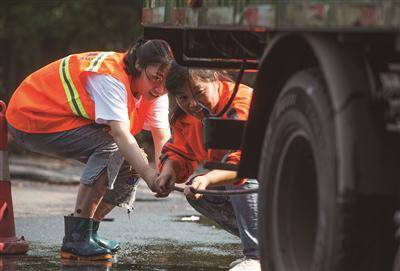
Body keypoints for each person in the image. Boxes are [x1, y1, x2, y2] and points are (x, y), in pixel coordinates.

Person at [6, 39, 173, 260]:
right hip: (31, 117)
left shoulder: (158, 91)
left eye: (166, 82)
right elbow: (121, 134)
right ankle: (76, 239)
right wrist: (151, 176)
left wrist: (165, 174)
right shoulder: (109, 76)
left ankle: (87, 232)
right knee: (113, 146)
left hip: (62, 119)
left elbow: (163, 136)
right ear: (139, 65)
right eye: (155, 79)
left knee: (132, 165)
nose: (160, 88)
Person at [156, 62, 260, 271]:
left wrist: (208, 178)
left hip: (274, 181)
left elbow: (244, 161)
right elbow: (179, 150)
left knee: (227, 177)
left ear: (214, 78)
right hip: (240, 178)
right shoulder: (186, 117)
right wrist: (168, 171)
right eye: (183, 98)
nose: (192, 103)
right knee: (201, 191)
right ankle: (268, 242)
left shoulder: (240, 101)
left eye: (198, 93)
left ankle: (258, 255)